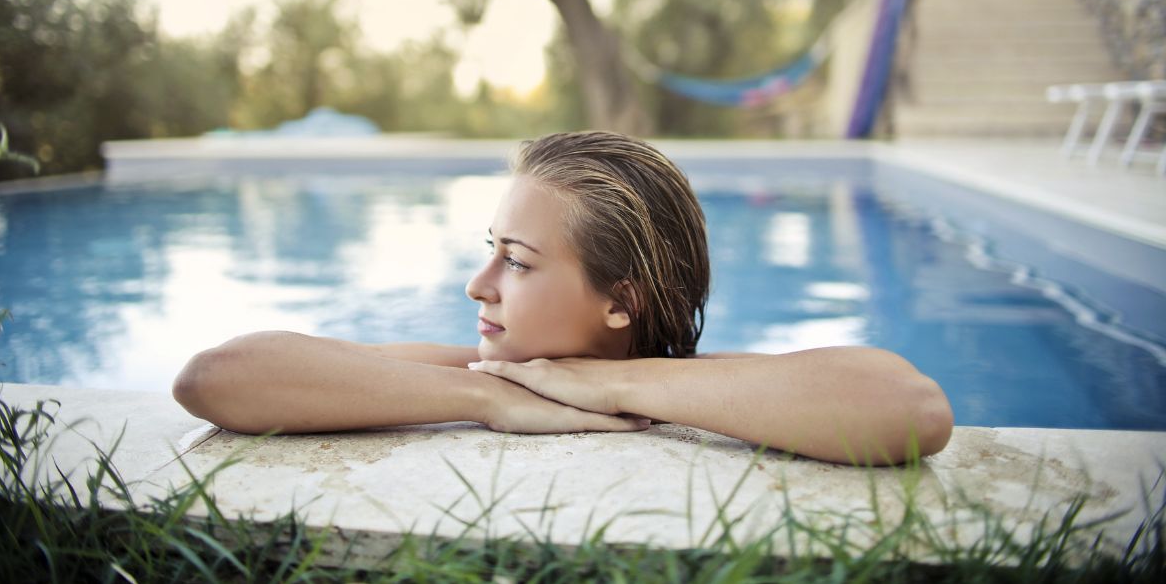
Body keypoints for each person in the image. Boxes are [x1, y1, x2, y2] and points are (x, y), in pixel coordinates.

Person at [173, 131, 953, 464]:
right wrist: (487, 402)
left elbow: (913, 410)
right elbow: (214, 378)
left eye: (516, 261)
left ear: (621, 301)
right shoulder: (479, 377)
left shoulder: (714, 387)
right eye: (492, 251)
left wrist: (611, 383)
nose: (478, 285)